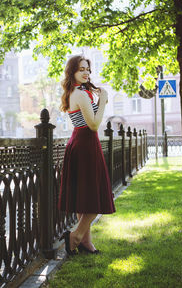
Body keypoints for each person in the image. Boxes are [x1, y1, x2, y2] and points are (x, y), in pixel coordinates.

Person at [58, 55, 115, 255]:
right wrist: (103, 101)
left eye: (88, 69)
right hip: (85, 144)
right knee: (95, 196)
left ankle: (86, 243)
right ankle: (75, 236)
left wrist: (97, 96)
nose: (86, 72)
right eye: (81, 69)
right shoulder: (80, 94)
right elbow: (93, 124)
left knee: (86, 197)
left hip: (82, 142)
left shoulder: (80, 92)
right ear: (72, 72)